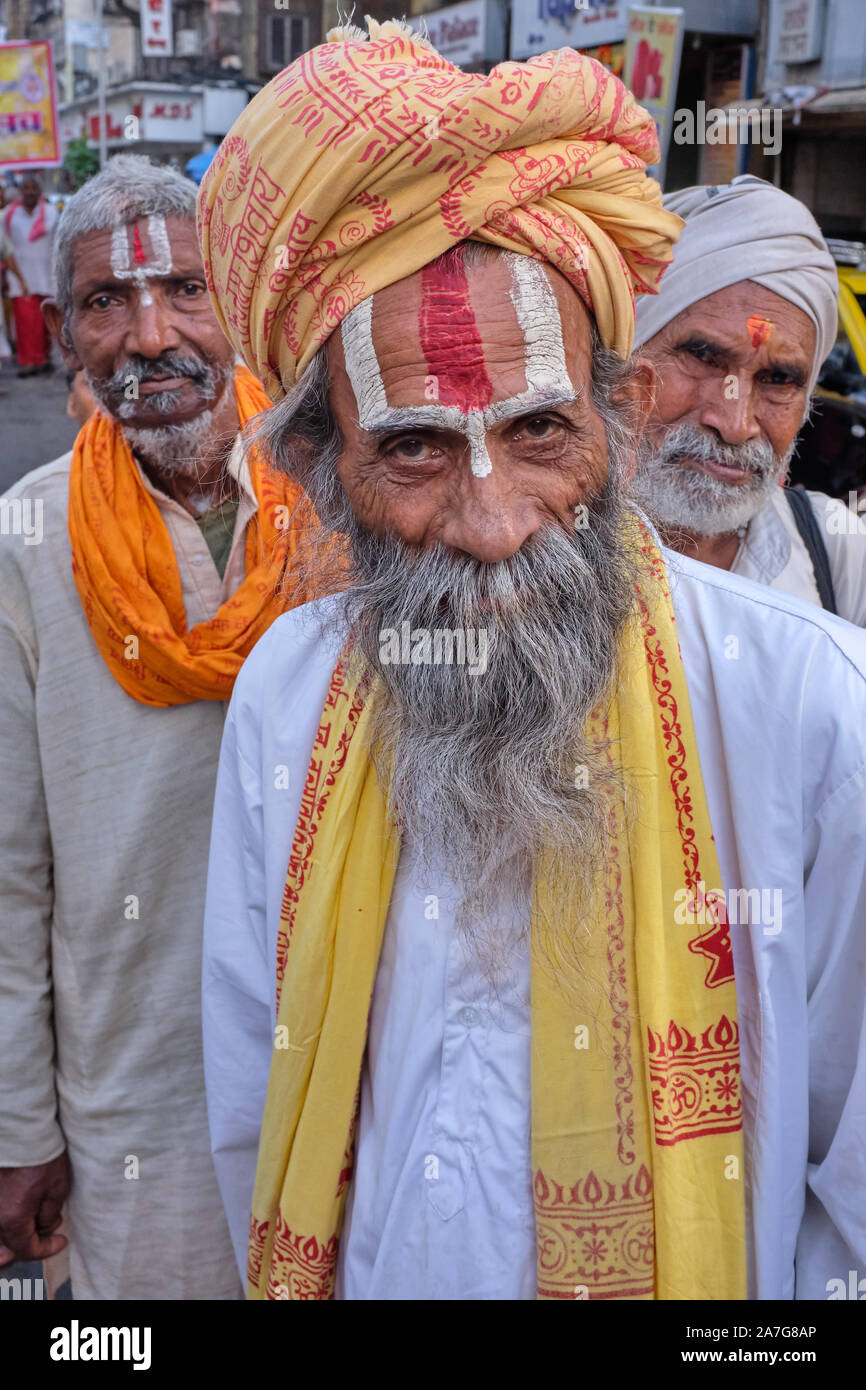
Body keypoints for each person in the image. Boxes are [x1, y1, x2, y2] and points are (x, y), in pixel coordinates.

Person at [199, 21, 866, 1302]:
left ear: (615, 418)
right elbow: (254, 1098)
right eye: (413, 449)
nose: (494, 522)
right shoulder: (287, 695)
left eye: (539, 429)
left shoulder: (814, 715)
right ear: (321, 469)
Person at [0, 154, 316, 1300]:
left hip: (336, 1059)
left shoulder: (344, 504)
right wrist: (17, 1121)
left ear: (239, 304)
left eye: (185, 289)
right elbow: (8, 875)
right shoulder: (26, 542)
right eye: (103, 302)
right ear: (66, 335)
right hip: (133, 1089)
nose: (147, 336)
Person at [632, 176, 866, 624]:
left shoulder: (838, 556)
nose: (736, 425)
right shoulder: (526, 554)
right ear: (626, 356)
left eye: (779, 379)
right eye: (701, 357)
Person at [3, 172, 58, 377]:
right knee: (26, 323)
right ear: (20, 191)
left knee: (46, 322)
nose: (30, 192)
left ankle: (44, 358)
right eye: (26, 188)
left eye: (34, 188)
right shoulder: (8, 215)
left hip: (47, 276)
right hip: (20, 279)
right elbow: (4, 248)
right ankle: (29, 361)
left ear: (40, 190)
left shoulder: (52, 212)